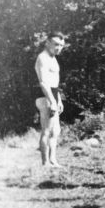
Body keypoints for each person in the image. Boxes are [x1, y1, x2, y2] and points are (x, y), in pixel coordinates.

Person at [34, 31, 65, 167]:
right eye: (56, 44)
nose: (59, 48)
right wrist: (52, 101)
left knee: (56, 131)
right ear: (47, 43)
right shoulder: (43, 58)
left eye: (61, 45)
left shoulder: (53, 58)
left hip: (53, 95)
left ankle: (53, 160)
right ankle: (45, 162)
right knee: (47, 130)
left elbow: (55, 82)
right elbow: (43, 82)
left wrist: (59, 100)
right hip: (45, 96)